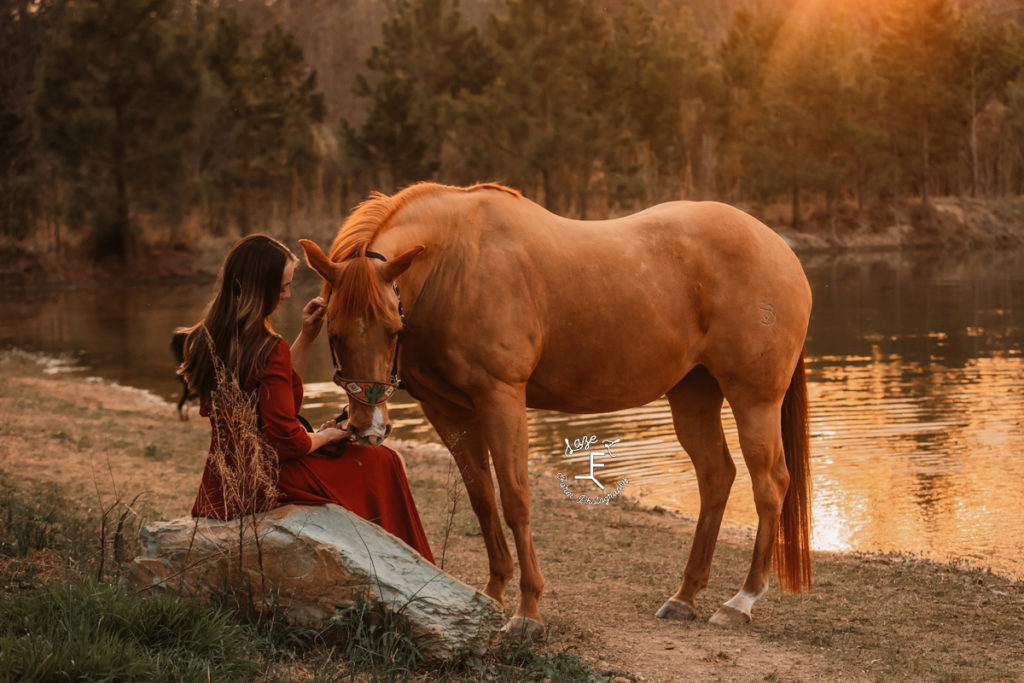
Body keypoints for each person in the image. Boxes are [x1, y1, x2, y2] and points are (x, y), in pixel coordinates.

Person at [178, 234, 434, 563]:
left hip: (222, 479)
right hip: (266, 480)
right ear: (261, 289)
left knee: (367, 459)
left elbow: (275, 398)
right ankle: (403, 566)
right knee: (382, 462)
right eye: (282, 287)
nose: (286, 296)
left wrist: (307, 336)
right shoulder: (268, 347)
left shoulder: (205, 338)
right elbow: (288, 444)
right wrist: (326, 436)